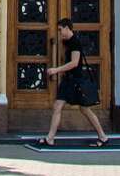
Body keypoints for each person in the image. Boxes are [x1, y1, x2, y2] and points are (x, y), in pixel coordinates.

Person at [41, 18, 108, 147]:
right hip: (69, 80)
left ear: (67, 28)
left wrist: (56, 70)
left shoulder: (75, 42)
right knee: (58, 106)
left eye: (61, 30)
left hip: (75, 81)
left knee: (85, 109)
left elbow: (74, 63)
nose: (60, 33)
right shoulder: (68, 42)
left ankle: (103, 136)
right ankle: (50, 138)